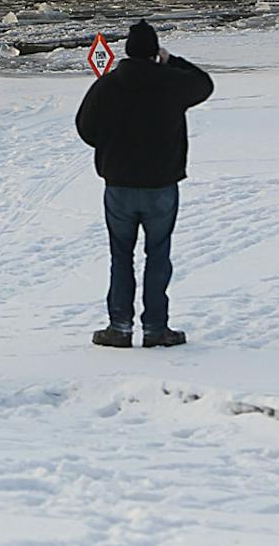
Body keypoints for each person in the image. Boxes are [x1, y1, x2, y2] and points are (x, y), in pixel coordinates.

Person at [74, 20, 214, 350]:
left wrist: (109, 147)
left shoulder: (107, 85)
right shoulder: (172, 83)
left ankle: (119, 327)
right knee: (158, 255)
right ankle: (155, 328)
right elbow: (204, 85)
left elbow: (85, 128)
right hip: (161, 185)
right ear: (154, 52)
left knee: (120, 256)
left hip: (119, 185)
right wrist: (172, 61)